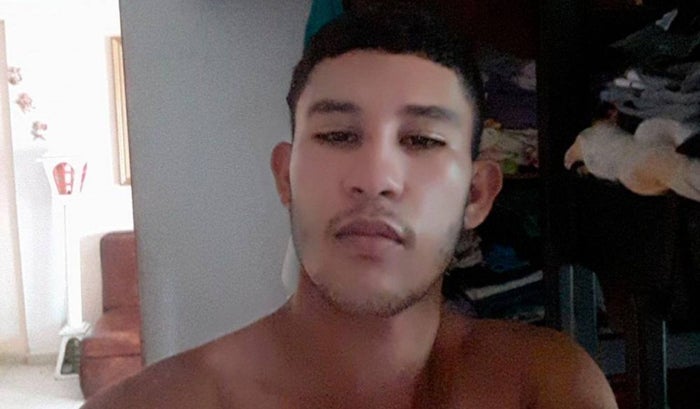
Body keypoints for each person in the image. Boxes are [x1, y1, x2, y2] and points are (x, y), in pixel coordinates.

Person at [82, 7, 618, 409]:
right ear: (285, 177)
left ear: (477, 194)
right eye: (338, 135)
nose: (375, 179)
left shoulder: (547, 386)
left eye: (423, 140)